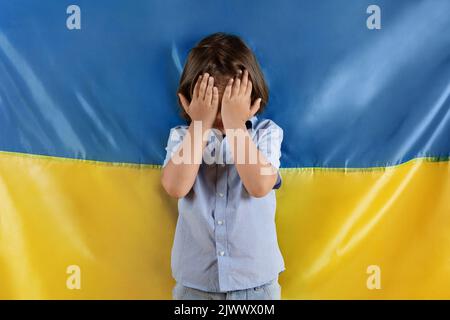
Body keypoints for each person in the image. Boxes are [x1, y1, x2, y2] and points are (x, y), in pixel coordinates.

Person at [161, 32, 284, 300]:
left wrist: (236, 125)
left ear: (252, 100)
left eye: (229, 104)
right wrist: (200, 124)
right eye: (211, 104)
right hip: (195, 285)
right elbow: (175, 186)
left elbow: (260, 185)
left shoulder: (265, 134)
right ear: (189, 100)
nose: (221, 116)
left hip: (255, 286)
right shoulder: (183, 138)